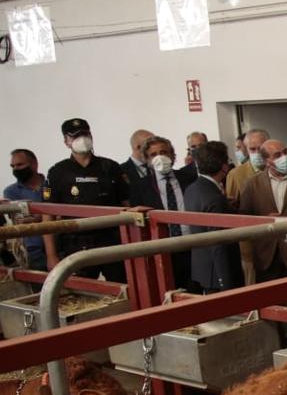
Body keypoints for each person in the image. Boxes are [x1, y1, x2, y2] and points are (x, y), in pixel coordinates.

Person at [43, 118, 128, 281]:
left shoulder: (110, 167)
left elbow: (126, 204)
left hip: (111, 241)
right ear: (66, 141)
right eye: (74, 136)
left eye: (85, 134)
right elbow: (48, 215)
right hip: (75, 244)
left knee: (122, 289)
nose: (81, 139)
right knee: (81, 294)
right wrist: (51, 255)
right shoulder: (57, 172)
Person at [237, 138, 287, 284]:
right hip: (265, 256)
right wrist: (263, 220)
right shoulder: (251, 185)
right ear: (266, 161)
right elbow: (244, 219)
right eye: (277, 155)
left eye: (285, 152)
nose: (284, 157)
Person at [135, 135, 196, 289]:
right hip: (164, 250)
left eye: (163, 152)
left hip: (193, 245)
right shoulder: (141, 186)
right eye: (153, 155)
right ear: (147, 160)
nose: (159, 157)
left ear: (172, 155)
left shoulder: (189, 178)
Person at [184, 141, 244, 293]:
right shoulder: (214, 198)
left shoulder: (191, 189)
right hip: (220, 273)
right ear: (224, 167)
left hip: (203, 269)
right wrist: (226, 282)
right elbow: (218, 244)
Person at [4, 149, 48, 270]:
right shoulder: (11, 191)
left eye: (20, 165)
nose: (16, 169)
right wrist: (45, 217)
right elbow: (20, 220)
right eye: (13, 166)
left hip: (60, 247)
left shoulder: (50, 186)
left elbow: (60, 213)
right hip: (32, 251)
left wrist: (36, 218)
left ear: (34, 164)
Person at [226, 129, 268, 210]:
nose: (257, 152)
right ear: (246, 149)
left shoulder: (277, 170)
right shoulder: (235, 175)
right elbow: (231, 208)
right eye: (252, 149)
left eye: (261, 148)